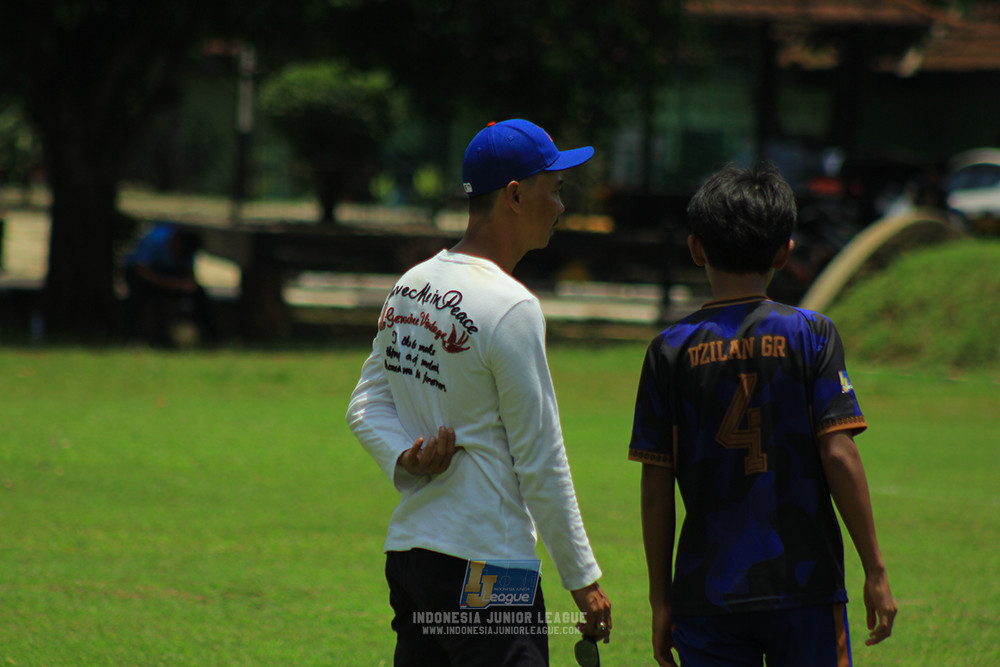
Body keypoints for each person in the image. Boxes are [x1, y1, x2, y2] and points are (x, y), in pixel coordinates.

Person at [346, 119, 612, 666]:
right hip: (489, 567)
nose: (561, 207)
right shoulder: (511, 306)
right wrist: (583, 579)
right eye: (555, 189)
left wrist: (404, 455)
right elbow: (540, 458)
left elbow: (365, 405)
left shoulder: (411, 285)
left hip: (414, 557)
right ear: (516, 194)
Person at [628, 163, 897, 667]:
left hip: (707, 593)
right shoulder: (812, 334)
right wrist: (875, 571)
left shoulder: (668, 350)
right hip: (807, 587)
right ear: (784, 252)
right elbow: (839, 452)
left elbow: (655, 485)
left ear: (695, 249)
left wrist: (660, 599)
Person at [123, 221, 218, 347]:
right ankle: (133, 337)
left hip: (170, 275)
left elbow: (188, 271)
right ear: (176, 241)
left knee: (198, 293)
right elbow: (141, 270)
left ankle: (213, 338)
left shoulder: (186, 247)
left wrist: (187, 284)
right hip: (145, 276)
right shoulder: (155, 239)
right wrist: (172, 284)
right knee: (139, 297)